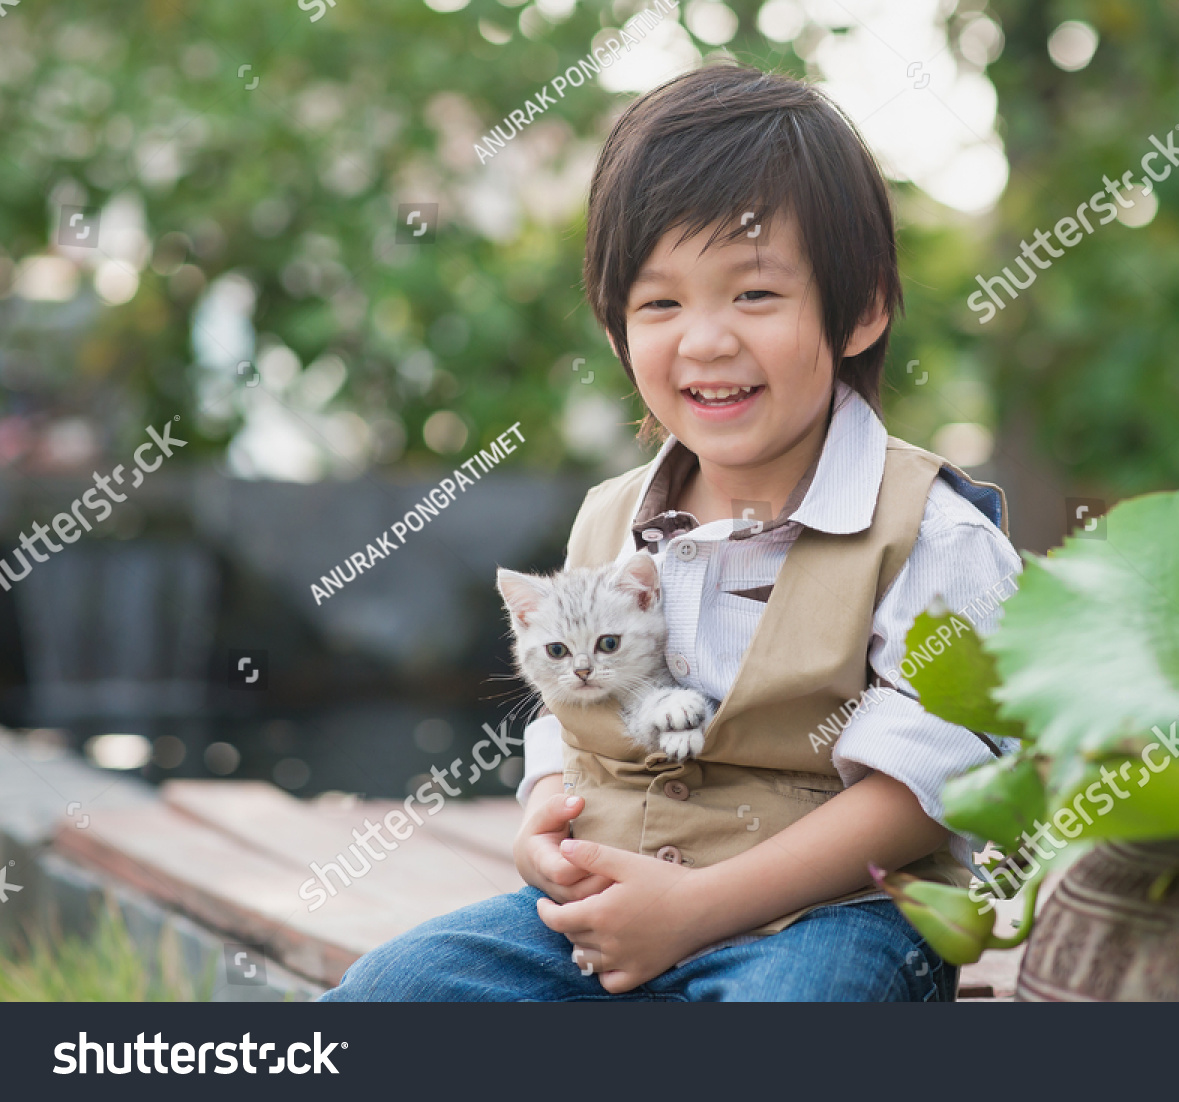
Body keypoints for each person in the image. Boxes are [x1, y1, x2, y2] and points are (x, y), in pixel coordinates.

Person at [320, 62, 1022, 1003]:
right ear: (617, 329)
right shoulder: (613, 520)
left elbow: (918, 790)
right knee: (392, 995)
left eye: (755, 296)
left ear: (862, 310)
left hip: (835, 914)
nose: (704, 339)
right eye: (661, 303)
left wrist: (698, 911)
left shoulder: (931, 534)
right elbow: (570, 728)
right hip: (617, 893)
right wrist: (542, 826)